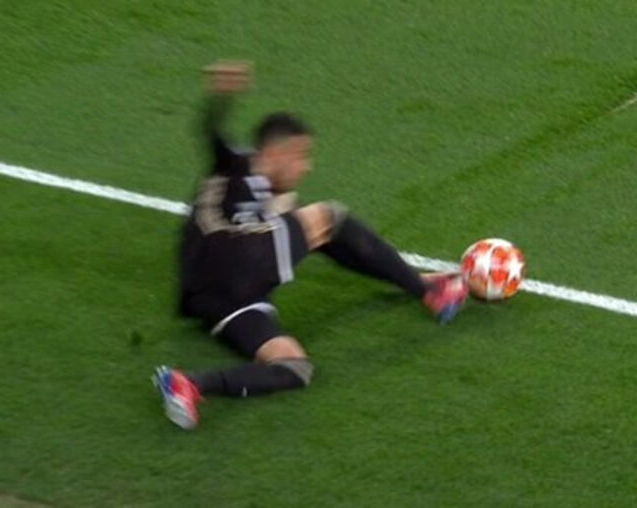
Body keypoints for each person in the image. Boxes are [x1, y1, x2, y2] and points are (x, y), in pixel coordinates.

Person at [153, 61, 468, 430]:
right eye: (301, 156)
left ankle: (190, 384)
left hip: (217, 300)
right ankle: (429, 291)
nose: (307, 167)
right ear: (274, 154)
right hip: (231, 260)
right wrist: (221, 97)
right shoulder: (237, 165)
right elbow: (212, 133)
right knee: (328, 218)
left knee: (294, 365)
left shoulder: (265, 193)